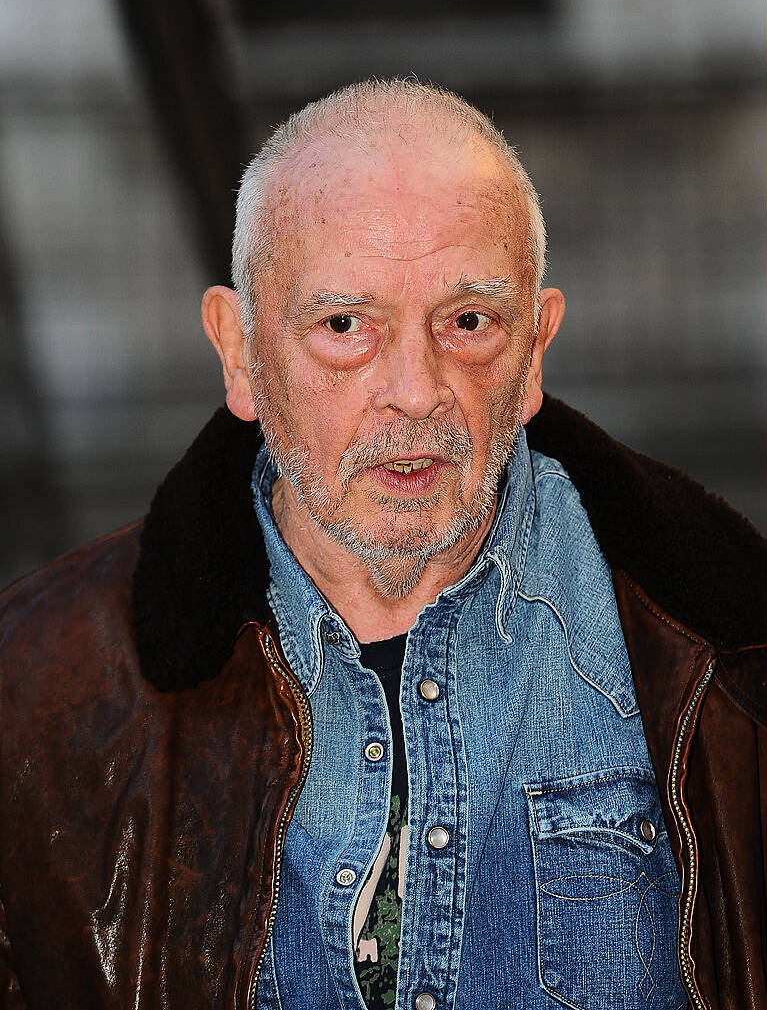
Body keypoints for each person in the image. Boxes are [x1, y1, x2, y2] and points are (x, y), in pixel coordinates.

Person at [0, 80, 764, 1010]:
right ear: (237, 352)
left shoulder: (734, 669)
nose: (415, 390)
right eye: (344, 327)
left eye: (468, 322)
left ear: (535, 350)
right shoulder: (30, 689)